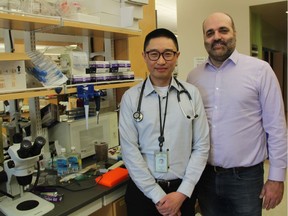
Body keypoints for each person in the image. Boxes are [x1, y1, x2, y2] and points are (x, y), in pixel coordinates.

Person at [187, 12, 287, 216]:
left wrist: (277, 177)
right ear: (204, 38)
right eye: (210, 33)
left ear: (234, 33)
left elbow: (276, 127)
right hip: (205, 176)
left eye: (223, 30)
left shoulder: (260, 70)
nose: (217, 37)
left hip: (246, 179)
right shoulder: (193, 77)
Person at [119, 28, 210, 216]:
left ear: (177, 56)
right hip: (143, 193)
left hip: (182, 192)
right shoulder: (131, 98)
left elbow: (201, 145)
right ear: (144, 56)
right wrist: (158, 196)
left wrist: (183, 193)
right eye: (154, 54)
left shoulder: (191, 94)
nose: (161, 61)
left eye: (168, 54)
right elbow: (129, 150)